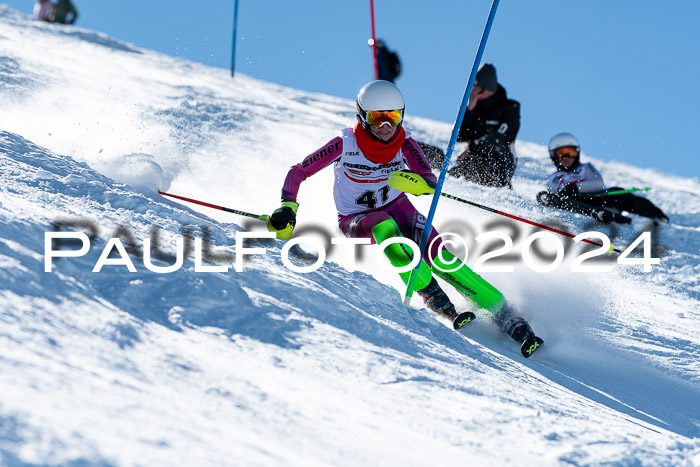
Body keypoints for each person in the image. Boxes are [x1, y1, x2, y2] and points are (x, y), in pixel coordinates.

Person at [267, 80, 542, 355]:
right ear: (363, 116)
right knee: (384, 227)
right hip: (356, 218)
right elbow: (298, 171)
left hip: (399, 206)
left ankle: (505, 315)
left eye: (393, 117)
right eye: (377, 118)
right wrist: (287, 206)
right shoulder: (344, 143)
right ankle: (433, 295)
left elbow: (428, 178)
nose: (386, 126)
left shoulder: (405, 143)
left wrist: (421, 184)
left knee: (439, 256)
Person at [537, 132, 669, 224]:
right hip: (574, 200)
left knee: (618, 193)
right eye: (561, 154)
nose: (566, 157)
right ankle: (594, 211)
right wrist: (566, 193)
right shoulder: (554, 177)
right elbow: (554, 193)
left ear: (576, 153)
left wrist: (578, 187)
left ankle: (655, 214)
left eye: (570, 152)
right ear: (554, 156)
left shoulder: (586, 168)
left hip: (597, 198)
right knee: (569, 194)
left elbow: (598, 183)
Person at [443, 63, 520, 188]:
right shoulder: (473, 108)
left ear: (482, 87)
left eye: (474, 86)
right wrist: (469, 110)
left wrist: (474, 147)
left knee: (492, 159)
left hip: (500, 161)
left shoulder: (510, 107)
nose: (470, 90)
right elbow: (459, 136)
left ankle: (501, 188)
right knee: (456, 173)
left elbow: (503, 137)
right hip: (475, 160)